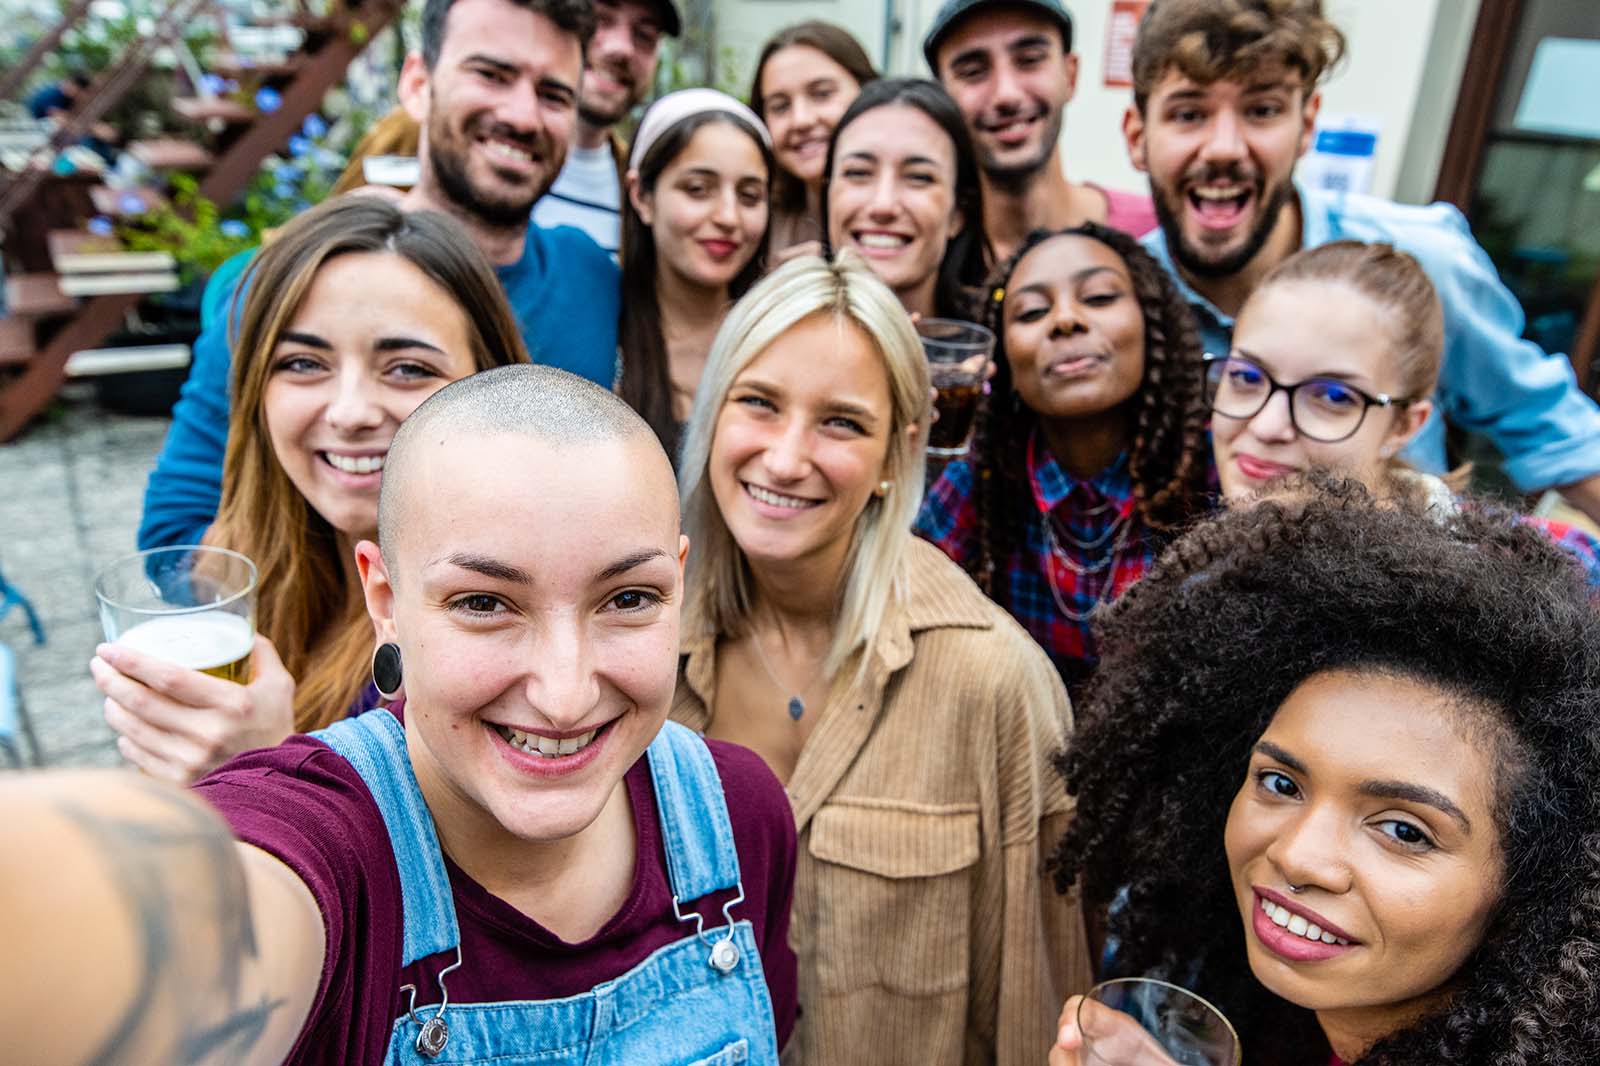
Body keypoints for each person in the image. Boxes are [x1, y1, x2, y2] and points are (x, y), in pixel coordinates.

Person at [3, 365, 799, 1065]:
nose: (565, 693)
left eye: (628, 599)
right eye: (485, 603)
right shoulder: (328, 847)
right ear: (385, 600)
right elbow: (192, 932)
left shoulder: (737, 815)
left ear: (679, 584)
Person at [672, 252, 1090, 1064]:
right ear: (711, 411)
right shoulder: (633, 655)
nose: (788, 458)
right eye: (759, 403)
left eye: (841, 422)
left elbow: (1041, 1015)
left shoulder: (994, 681)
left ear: (897, 455)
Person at [1046, 483, 1600, 1064]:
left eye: (1403, 830)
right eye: (1281, 784)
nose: (1299, 857)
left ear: (1530, 891)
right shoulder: (1259, 1013)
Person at [138, 0, 621, 551]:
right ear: (417, 83)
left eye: (554, 95)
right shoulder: (299, 281)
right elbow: (174, 542)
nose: (522, 115)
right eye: (491, 74)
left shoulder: (590, 275)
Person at [91, 197, 531, 784]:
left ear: (491, 389)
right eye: (303, 363)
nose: (349, 412)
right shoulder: (246, 562)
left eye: (407, 368)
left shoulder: (504, 630)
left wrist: (268, 771)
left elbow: (486, 872)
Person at [1125, 0, 1600, 525]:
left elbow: (1563, 438)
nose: (1223, 147)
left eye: (1261, 110)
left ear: (1307, 124)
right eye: (1188, 113)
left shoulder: (1417, 264)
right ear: (1137, 136)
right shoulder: (1124, 300)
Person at [916, 224, 1212, 690]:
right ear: (1003, 355)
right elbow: (900, 605)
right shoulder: (983, 476)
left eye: (1098, 298)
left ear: (1153, 323)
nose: (1065, 320)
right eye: (1032, 311)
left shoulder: (1211, 466)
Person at [1208, 239, 1600, 583]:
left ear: (1404, 426)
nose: (1266, 425)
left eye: (1332, 396)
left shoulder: (1514, 581)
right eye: (1246, 376)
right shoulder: (1198, 558)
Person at [924, 0, 1157, 262]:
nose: (1006, 95)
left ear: (1070, 75)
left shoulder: (1156, 239)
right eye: (973, 71)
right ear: (942, 97)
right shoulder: (930, 262)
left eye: (1029, 60)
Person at [618, 89, 771, 455]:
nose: (728, 218)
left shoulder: (779, 339)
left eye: (750, 196)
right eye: (698, 189)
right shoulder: (596, 333)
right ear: (642, 196)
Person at [822, 77, 991, 321]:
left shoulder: (1001, 345)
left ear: (959, 212)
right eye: (858, 172)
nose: (883, 205)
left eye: (919, 177)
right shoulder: (774, 343)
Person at [531, 0, 680, 255]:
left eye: (644, 35)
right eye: (599, 19)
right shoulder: (478, 160)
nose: (622, 49)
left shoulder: (647, 197)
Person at [748, 21, 878, 255]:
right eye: (780, 106)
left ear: (868, 91)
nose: (801, 120)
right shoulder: (753, 223)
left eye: (822, 94)